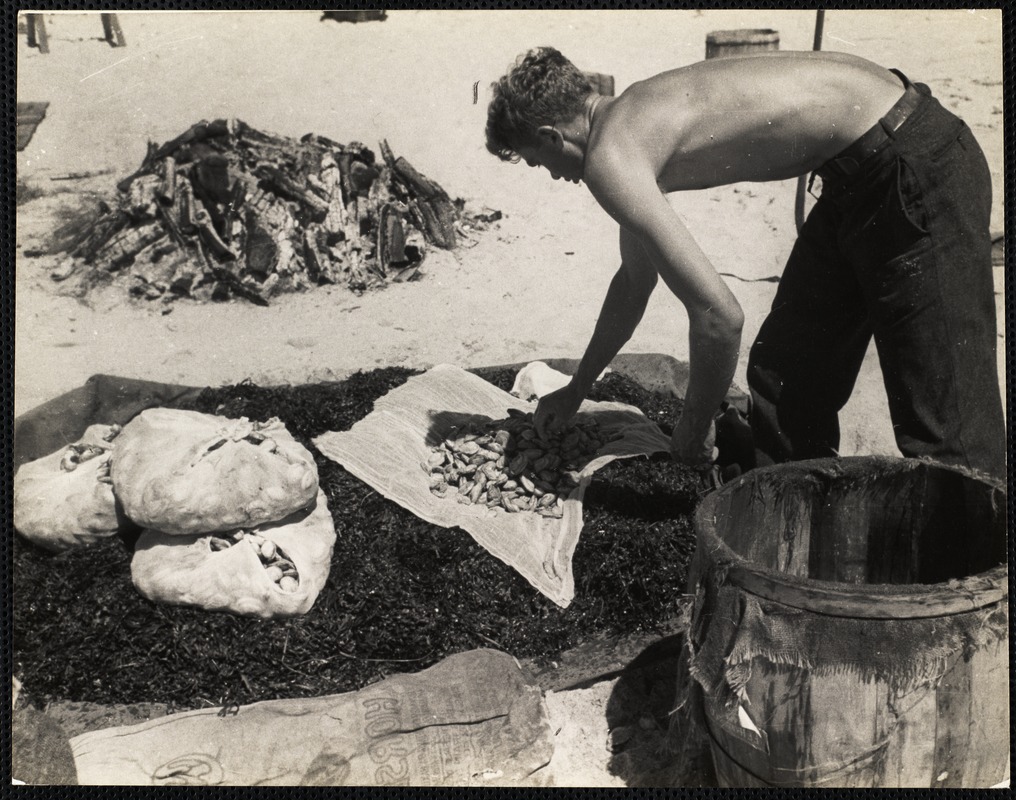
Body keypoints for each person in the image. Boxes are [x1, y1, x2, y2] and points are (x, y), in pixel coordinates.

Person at [484, 46, 1005, 480]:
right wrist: (577, 390)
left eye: (537, 161)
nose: (551, 175)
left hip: (912, 163)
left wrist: (689, 431)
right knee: (785, 377)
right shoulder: (629, 116)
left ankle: (980, 588)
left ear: (552, 135)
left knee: (947, 434)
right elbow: (633, 283)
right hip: (862, 172)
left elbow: (719, 318)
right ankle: (793, 527)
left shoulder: (608, 159)